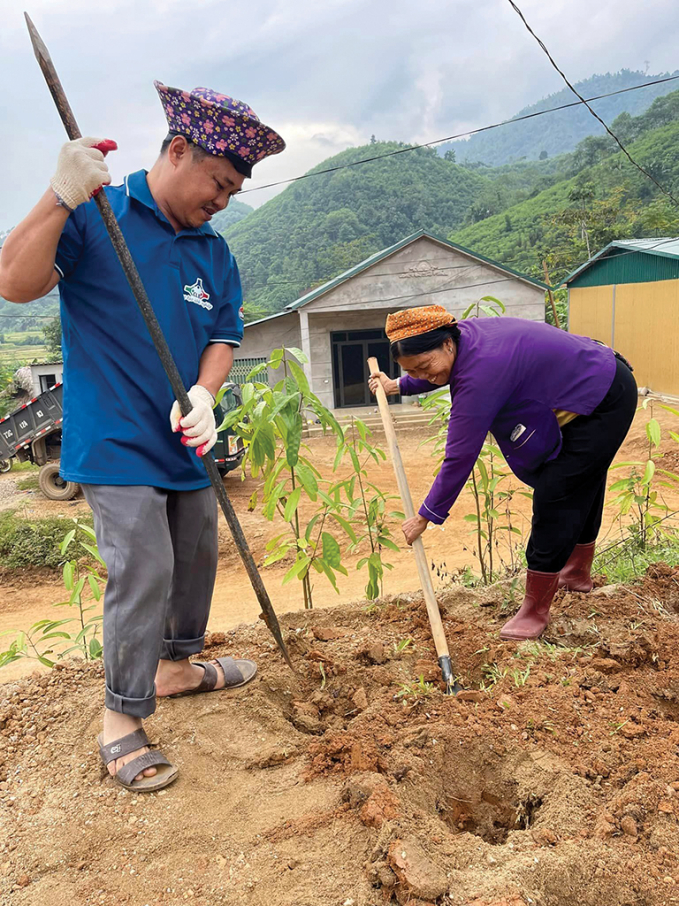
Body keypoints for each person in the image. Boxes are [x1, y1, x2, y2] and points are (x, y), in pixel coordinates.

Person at [0, 84, 285, 792]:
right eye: (218, 183)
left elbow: (224, 333)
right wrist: (60, 194)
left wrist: (205, 394)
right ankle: (121, 719)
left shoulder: (213, 248)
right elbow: (14, 281)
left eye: (233, 190)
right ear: (178, 151)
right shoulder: (100, 214)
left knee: (194, 557)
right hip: (113, 440)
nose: (222, 200)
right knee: (144, 568)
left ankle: (175, 667)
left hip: (182, 441)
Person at [369, 304, 637, 643]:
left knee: (559, 493)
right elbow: (436, 371)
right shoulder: (462, 338)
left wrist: (425, 516)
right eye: (413, 371)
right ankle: (576, 574)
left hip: (603, 397)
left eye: (423, 366)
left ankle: (535, 609)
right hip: (582, 389)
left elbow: (460, 455)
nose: (424, 375)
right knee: (581, 481)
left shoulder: (482, 371)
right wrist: (398, 386)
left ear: (447, 344)